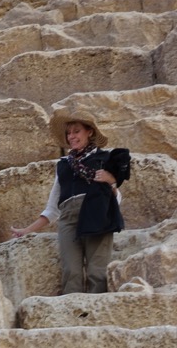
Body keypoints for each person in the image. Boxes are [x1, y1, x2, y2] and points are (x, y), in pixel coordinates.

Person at [11, 111, 130, 294]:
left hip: (97, 216)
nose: (72, 136)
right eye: (69, 133)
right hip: (68, 220)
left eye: (76, 131)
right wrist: (27, 230)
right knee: (71, 271)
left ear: (89, 132)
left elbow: (117, 198)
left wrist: (111, 181)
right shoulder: (64, 164)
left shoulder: (105, 159)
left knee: (96, 272)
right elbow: (52, 208)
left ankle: (96, 317)